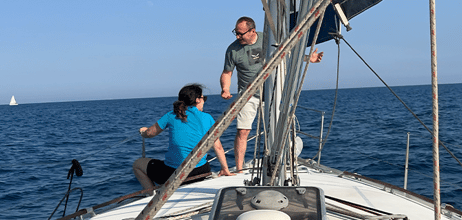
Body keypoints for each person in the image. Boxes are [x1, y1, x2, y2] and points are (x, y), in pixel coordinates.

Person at [221, 16, 322, 172]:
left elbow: (289, 53)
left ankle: (283, 162)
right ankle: (239, 169)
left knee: (278, 128)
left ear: (252, 31)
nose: (237, 37)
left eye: (241, 34)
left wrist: (309, 58)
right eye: (236, 33)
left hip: (274, 93)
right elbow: (227, 73)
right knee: (243, 131)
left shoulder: (269, 39)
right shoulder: (232, 49)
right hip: (248, 95)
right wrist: (225, 89)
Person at [133, 84, 235, 190]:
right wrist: (225, 169)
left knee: (138, 164)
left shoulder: (171, 115)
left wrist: (143, 132)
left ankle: (151, 196)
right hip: (202, 171)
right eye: (203, 98)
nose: (204, 101)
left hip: (175, 174)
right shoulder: (207, 118)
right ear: (197, 100)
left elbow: (150, 133)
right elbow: (217, 146)